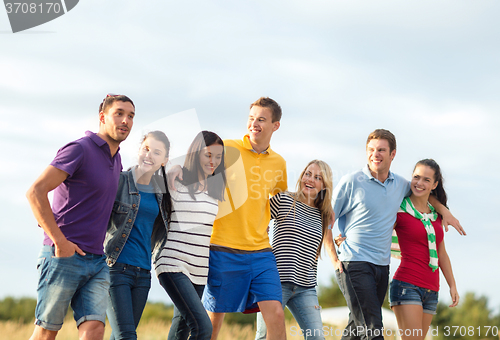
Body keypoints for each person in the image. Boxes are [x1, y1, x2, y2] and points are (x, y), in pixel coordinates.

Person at [324, 129, 464, 340]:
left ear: (393, 154)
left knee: (356, 328)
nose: (375, 154)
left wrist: (445, 211)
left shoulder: (399, 185)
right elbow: (326, 219)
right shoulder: (352, 181)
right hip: (355, 262)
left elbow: (423, 193)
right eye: (371, 150)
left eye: (381, 150)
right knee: (373, 328)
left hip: (381, 267)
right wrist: (335, 256)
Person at [170, 97, 288, 340]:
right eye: (251, 118)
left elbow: (275, 199)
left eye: (262, 120)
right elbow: (195, 166)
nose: (254, 124)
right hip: (221, 247)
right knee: (213, 321)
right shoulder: (228, 149)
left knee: (276, 314)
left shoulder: (279, 163)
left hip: (261, 251)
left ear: (275, 125)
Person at [26, 94, 135, 340]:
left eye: (130, 116)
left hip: (97, 260)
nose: (125, 121)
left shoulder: (116, 159)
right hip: (64, 255)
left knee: (95, 328)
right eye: (119, 113)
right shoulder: (79, 149)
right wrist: (59, 241)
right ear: (102, 117)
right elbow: (35, 192)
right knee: (46, 331)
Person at [154, 130, 226, 340]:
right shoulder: (176, 180)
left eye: (218, 157)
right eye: (208, 155)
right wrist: (172, 169)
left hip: (199, 269)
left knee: (181, 330)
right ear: (196, 153)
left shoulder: (215, 190)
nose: (213, 161)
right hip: (172, 263)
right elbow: (147, 178)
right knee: (203, 327)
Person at [104, 131, 172, 340]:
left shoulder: (163, 192)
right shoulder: (120, 180)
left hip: (143, 272)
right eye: (146, 149)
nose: (149, 155)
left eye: (157, 152)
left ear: (164, 160)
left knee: (120, 336)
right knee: (127, 336)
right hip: (116, 268)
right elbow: (97, 211)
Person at [255, 160, 334, 340]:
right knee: (265, 335)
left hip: (306, 287)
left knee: (317, 337)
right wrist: (261, 228)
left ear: (324, 186)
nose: (310, 180)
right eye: (308, 174)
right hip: (275, 282)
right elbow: (255, 213)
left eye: (318, 177)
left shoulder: (323, 214)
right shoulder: (285, 200)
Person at [389, 159, 459, 340]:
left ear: (434, 184)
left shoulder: (436, 215)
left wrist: (452, 285)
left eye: (426, 180)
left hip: (432, 289)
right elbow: (377, 233)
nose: (419, 183)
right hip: (406, 285)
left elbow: (441, 253)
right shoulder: (399, 210)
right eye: (416, 177)